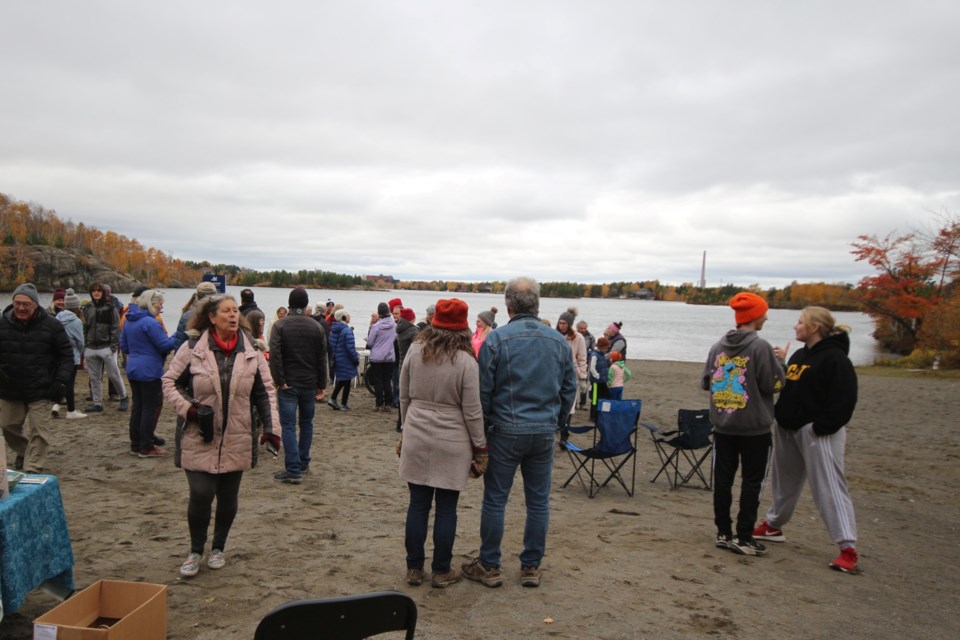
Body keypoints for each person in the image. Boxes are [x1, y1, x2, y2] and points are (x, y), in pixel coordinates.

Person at [461, 276, 577, 589]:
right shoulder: (557, 341)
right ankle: (531, 566)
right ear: (536, 305)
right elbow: (570, 388)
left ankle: (490, 563)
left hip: (506, 431)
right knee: (538, 502)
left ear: (509, 305)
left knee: (496, 500)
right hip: (542, 431)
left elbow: (483, 391)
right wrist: (557, 420)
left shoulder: (497, 340)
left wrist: (481, 434)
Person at [162, 294, 281, 577]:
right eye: (226, 311)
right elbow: (169, 382)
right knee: (202, 493)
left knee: (228, 498)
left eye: (235, 311)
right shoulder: (192, 347)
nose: (232, 315)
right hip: (198, 434)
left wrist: (271, 429)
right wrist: (190, 410)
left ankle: (218, 548)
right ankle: (195, 550)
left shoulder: (251, 349)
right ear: (211, 317)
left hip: (238, 435)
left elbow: (265, 391)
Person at [753, 306, 861, 573]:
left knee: (829, 487)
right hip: (788, 428)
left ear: (814, 327)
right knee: (784, 481)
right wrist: (783, 364)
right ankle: (774, 525)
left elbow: (844, 400)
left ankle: (847, 547)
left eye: (800, 323)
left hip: (817, 433)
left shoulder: (836, 359)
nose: (796, 327)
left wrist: (820, 427)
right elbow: (794, 387)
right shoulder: (802, 355)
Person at [398, 298, 487, 589]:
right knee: (447, 509)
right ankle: (440, 570)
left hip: (417, 429)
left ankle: (414, 568)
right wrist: (480, 446)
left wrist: (405, 428)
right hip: (452, 437)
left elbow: (404, 394)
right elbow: (473, 410)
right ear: (463, 326)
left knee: (418, 504)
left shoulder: (415, 349)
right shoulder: (466, 360)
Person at [702, 292, 785, 557]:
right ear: (754, 316)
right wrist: (781, 362)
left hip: (724, 426)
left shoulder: (717, 347)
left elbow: (707, 382)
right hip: (754, 429)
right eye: (764, 313)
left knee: (723, 481)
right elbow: (774, 384)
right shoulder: (760, 347)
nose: (767, 318)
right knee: (752, 481)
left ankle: (724, 532)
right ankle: (744, 535)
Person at [0, 283, 74, 473]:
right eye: (17, 303)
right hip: (10, 387)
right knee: (8, 425)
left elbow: (66, 356)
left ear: (35, 304)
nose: (21, 308)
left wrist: (60, 382)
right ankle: (24, 450)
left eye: (26, 304)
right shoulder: (2, 324)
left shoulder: (52, 325)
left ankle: (33, 467)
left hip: (42, 387)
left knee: (39, 430)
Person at [268, 287, 328, 484]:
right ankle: (303, 462)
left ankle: (294, 468)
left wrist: (279, 380)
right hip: (309, 383)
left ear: (290, 303)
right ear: (305, 304)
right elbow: (322, 358)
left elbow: (275, 355)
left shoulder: (280, 325)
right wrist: (321, 384)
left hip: (289, 383)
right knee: (306, 423)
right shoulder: (316, 327)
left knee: (288, 425)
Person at [121, 289, 177, 457]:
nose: (161, 307)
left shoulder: (129, 321)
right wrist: (179, 334)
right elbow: (165, 346)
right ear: (151, 304)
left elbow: (124, 346)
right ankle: (146, 447)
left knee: (137, 407)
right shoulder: (150, 323)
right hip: (149, 370)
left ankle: (135, 444)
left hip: (133, 367)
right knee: (149, 408)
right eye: (160, 303)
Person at [83, 282, 129, 412]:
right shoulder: (87, 309)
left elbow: (116, 328)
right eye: (94, 291)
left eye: (99, 290)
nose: (96, 293)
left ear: (103, 293)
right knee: (94, 377)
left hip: (106, 347)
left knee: (114, 375)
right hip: (91, 347)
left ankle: (124, 397)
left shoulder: (111, 309)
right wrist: (86, 345)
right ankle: (97, 403)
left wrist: (113, 347)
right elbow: (85, 327)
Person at [53, 289, 86, 419]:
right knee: (70, 383)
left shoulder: (57, 318)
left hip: (58, 355)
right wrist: (79, 352)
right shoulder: (76, 321)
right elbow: (81, 342)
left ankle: (56, 405)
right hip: (72, 356)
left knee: (61, 380)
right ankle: (71, 411)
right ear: (77, 306)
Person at [556, 308, 587, 440]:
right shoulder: (554, 335)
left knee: (569, 406)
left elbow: (582, 358)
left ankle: (564, 435)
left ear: (569, 324)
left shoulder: (578, 338)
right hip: (556, 375)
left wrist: (583, 376)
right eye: (560, 323)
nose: (561, 326)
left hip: (571, 376)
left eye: (564, 323)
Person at [367, 302, 397, 412]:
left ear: (379, 312)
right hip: (389, 356)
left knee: (378, 381)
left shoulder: (376, 326)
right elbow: (395, 338)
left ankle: (379, 403)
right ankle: (388, 403)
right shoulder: (394, 325)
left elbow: (370, 342)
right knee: (387, 381)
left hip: (377, 357)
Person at [172, 282, 220, 352]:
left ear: (197, 296)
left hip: (192, 357)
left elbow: (179, 345)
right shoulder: (220, 316)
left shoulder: (186, 316)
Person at [327, 309, 359, 411]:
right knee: (347, 380)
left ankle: (333, 399)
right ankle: (343, 403)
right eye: (348, 315)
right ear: (344, 317)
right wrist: (355, 358)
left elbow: (332, 343)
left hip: (338, 357)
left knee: (343, 380)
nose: (349, 317)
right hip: (346, 359)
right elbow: (350, 348)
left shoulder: (333, 330)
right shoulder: (347, 330)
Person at [587, 336, 610, 422]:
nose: (607, 349)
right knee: (595, 399)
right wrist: (598, 376)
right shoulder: (594, 355)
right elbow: (592, 368)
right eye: (606, 347)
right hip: (596, 382)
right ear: (601, 346)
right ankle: (593, 416)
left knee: (606, 397)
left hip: (603, 381)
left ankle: (603, 413)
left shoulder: (602, 355)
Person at [576, 320, 595, 409]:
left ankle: (582, 403)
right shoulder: (573, 334)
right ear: (577, 328)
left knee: (584, 382)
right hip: (574, 361)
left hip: (585, 362)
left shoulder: (590, 337)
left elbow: (594, 349)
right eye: (581, 328)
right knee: (573, 383)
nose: (583, 330)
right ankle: (574, 403)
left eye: (585, 328)